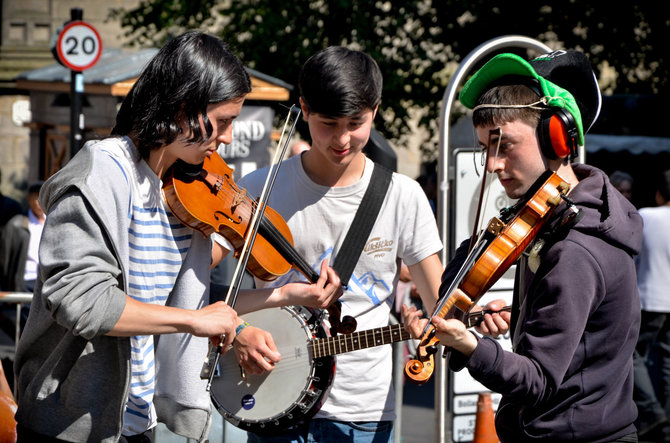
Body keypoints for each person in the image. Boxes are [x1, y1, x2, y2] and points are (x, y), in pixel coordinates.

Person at [13, 31, 342, 443]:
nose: (227, 138)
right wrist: (194, 321)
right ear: (184, 109)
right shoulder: (101, 173)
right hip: (71, 426)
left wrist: (287, 297)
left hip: (138, 422)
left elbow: (195, 309)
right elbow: (82, 301)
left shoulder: (184, 193)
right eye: (223, 121)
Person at [405, 50, 642, 442]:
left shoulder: (573, 248)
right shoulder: (556, 217)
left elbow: (539, 381)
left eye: (504, 144)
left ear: (557, 139)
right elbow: (576, 345)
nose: (493, 164)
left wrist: (470, 345)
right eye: (485, 147)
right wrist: (519, 319)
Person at [235, 46, 443, 442]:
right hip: (272, 398)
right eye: (328, 123)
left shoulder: (404, 195)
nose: (342, 139)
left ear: (376, 112)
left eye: (356, 123)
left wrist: (433, 331)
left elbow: (439, 306)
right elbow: (209, 302)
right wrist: (241, 327)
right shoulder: (258, 190)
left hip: (362, 412)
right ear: (304, 109)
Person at [632, 169, 670, 442]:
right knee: (668, 361)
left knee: (632, 356)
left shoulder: (645, 215)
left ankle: (653, 413)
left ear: (659, 194)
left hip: (649, 298)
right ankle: (665, 422)